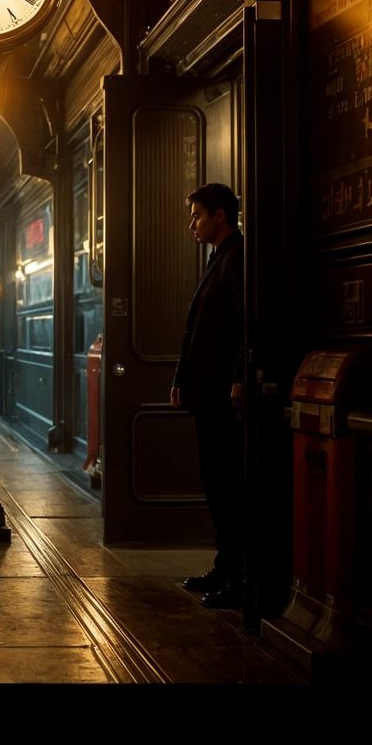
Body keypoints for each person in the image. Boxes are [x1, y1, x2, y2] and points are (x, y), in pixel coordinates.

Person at [171, 182, 246, 610]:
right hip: (208, 393)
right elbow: (197, 329)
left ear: (221, 216)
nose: (192, 224)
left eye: (198, 215)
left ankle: (237, 574)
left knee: (228, 486)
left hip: (224, 396)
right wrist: (182, 377)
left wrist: (238, 378)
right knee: (216, 485)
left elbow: (242, 322)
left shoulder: (236, 259)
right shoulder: (218, 258)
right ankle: (224, 564)